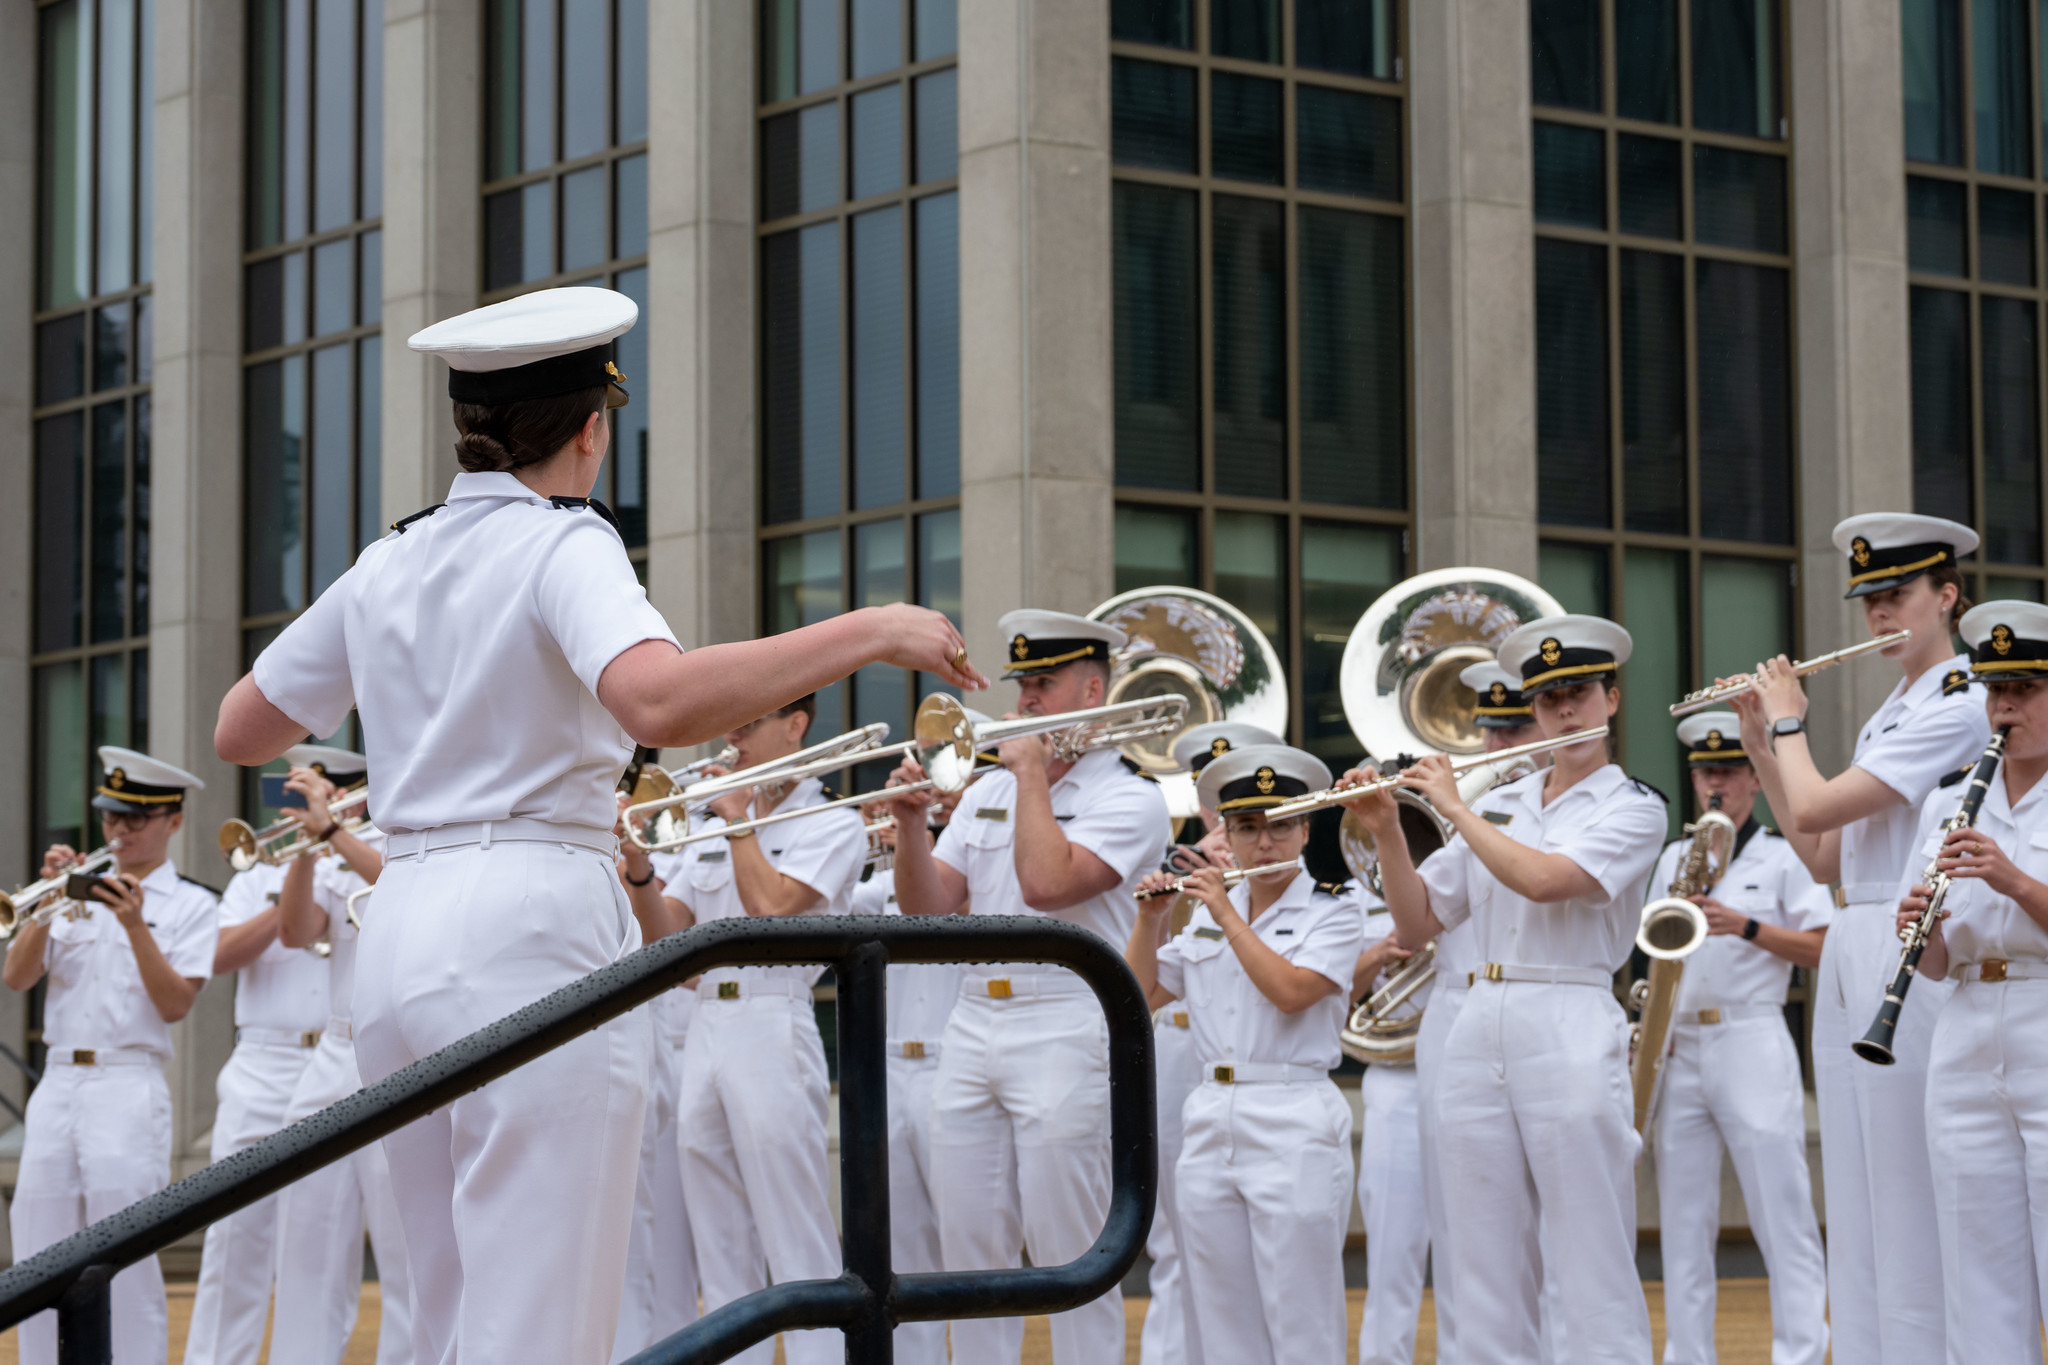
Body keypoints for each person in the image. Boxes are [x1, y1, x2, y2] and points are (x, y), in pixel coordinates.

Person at [213, 286, 983, 1365]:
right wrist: (872, 629)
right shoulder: (565, 542)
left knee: (444, 1311)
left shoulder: (389, 558)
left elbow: (242, 729)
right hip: (529, 917)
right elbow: (656, 702)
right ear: (591, 429)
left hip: (399, 927)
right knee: (546, 1314)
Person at [1347, 616, 1667, 1364]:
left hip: (1568, 1011)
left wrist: (1456, 808)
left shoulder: (1634, 804)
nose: (1565, 710)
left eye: (1579, 693)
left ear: (1612, 699)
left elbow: (1547, 880)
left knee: (1590, 1254)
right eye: (1549, 699)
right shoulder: (1504, 800)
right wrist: (1387, 829)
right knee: (1480, 1262)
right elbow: (1417, 923)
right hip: (1476, 1023)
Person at [1728, 513, 1988, 1365]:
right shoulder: (1891, 711)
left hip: (1908, 934)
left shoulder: (1963, 700)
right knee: (1856, 1189)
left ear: (1946, 596)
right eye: (1870, 600)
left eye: (1898, 595)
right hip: (1855, 928)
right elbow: (1821, 852)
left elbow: (1815, 806)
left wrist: (1790, 723)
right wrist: (1761, 746)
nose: (1880, 614)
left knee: (1906, 1192)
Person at [885, 609, 1170, 1363]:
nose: (1026, 700)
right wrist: (910, 825)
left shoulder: (1131, 795)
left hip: (1070, 1016)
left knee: (1071, 1248)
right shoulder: (992, 787)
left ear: (1093, 690)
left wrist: (1031, 773)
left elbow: (1048, 884)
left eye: (1044, 682)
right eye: (1023, 685)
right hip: (974, 1016)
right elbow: (927, 913)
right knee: (968, 1253)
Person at [1126, 745, 1366, 1362]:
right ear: (1227, 835)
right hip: (1211, 1112)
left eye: (1280, 826)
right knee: (1219, 1316)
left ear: (1305, 830)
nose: (1265, 843)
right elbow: (1139, 998)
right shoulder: (1210, 914)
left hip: (1293, 1112)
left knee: (1300, 1317)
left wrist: (1225, 913)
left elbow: (1292, 993)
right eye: (1248, 828)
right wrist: (1151, 921)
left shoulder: (1334, 906)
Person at [667, 695, 870, 1365]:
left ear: (796, 725)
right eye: (729, 722)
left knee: (794, 1231)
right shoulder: (713, 819)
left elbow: (773, 909)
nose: (732, 737)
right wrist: (634, 867)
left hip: (774, 1014)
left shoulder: (833, 820)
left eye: (748, 723)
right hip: (706, 1016)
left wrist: (736, 821)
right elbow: (663, 936)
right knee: (718, 1238)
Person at [5, 747, 221, 1365]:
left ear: (173, 821)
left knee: (124, 1252)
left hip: (129, 1083)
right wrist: (44, 907)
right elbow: (17, 978)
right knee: (38, 1245)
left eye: (137, 818)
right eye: (110, 816)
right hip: (58, 1082)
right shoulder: (71, 894)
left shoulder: (193, 904)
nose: (120, 830)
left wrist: (134, 926)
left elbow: (175, 1004)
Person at [1649, 712, 1830, 1365]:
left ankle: (1801, 1352)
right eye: (1704, 772)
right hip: (1680, 1045)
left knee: (1781, 1210)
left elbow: (1824, 947)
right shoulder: (1673, 859)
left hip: (1751, 1034)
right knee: (1682, 1222)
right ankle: (1687, 1355)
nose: (1714, 784)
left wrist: (1746, 926)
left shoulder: (1784, 856)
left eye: (1727, 771)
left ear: (1755, 778)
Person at [1893, 600, 2048, 1358]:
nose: (2005, 706)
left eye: (2025, 689)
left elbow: (2018, 896)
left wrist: (2013, 879)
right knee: (1973, 1262)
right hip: (1964, 1025)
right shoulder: (1948, 801)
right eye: (1995, 691)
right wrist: (1918, 932)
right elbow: (1936, 963)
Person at [184, 746, 347, 1365]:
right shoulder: (257, 872)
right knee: (234, 1237)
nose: (293, 808)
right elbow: (219, 956)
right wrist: (288, 899)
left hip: (338, 1058)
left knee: (321, 1246)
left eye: (308, 797)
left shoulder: (365, 860)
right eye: (290, 797)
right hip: (263, 1060)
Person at [1139, 720, 1283, 1365]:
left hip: (1261, 1061)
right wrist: (1181, 887)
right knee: (1178, 1237)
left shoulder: (1283, 870)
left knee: (1265, 1247)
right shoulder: (1175, 860)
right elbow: (1147, 971)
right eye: (1214, 801)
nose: (1223, 819)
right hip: (1180, 1050)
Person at [269, 763, 414, 1365]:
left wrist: (330, 832)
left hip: (401, 1053)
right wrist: (307, 848)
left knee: (407, 1244)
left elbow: (405, 888)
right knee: (306, 1232)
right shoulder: (333, 846)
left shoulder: (411, 830)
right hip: (334, 1049)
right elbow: (294, 933)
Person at [609, 787, 703, 1365]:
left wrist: (633, 859)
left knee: (657, 1227)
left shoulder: (692, 830)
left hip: (667, 1031)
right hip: (625, 1033)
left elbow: (660, 943)